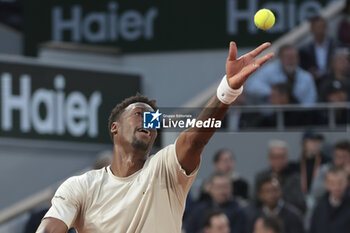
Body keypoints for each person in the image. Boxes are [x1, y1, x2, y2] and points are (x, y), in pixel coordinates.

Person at [36, 42, 274, 233]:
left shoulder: (166, 167)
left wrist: (227, 92)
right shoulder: (81, 187)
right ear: (115, 128)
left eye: (152, 121)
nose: (147, 123)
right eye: (140, 115)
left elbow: (194, 139)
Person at [246, 44, 317, 106]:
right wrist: (273, 93)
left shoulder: (306, 77)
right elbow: (251, 86)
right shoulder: (270, 70)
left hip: (300, 116)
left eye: (293, 57)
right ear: (280, 58)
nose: (291, 61)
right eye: (288, 57)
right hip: (272, 116)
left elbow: (311, 101)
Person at [255, 140, 304, 212]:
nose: (278, 160)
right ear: (269, 158)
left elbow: (299, 203)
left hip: (287, 215)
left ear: (287, 158)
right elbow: (255, 201)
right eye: (275, 157)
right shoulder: (261, 177)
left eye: (281, 156)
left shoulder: (294, 178)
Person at [309, 166, 350, 233]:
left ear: (347, 182)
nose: (336, 187)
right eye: (332, 183)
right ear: (326, 184)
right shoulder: (319, 207)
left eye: (340, 183)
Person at [299, 16, 336, 85]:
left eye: (322, 27)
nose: (320, 30)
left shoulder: (336, 46)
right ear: (311, 29)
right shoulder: (305, 50)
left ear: (326, 28)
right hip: (314, 83)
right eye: (317, 27)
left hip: (333, 81)